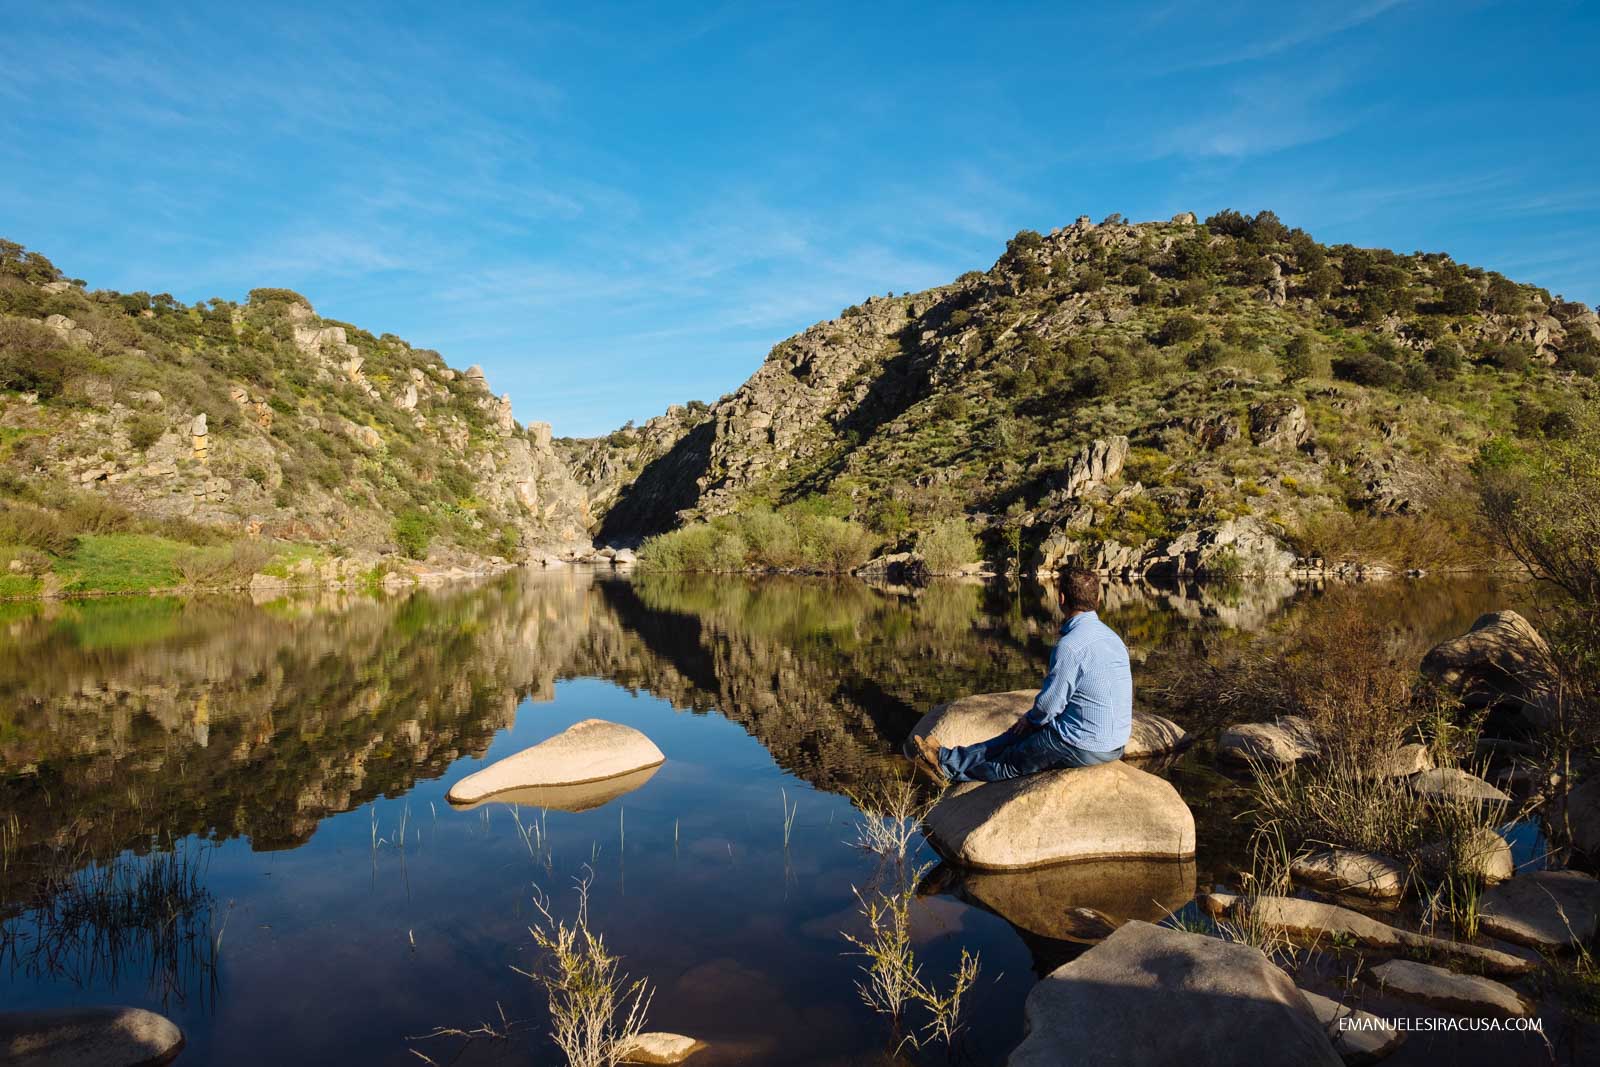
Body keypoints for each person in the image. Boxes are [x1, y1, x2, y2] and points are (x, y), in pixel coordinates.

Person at [910, 567, 1132, 782]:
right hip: (1115, 743)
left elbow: (1050, 705)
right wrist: (1032, 722)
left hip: (1083, 745)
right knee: (1016, 734)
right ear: (1098, 601)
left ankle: (947, 772)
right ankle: (946, 758)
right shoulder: (1112, 638)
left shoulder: (1072, 645)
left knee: (1009, 762)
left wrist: (1032, 720)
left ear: (1061, 598)